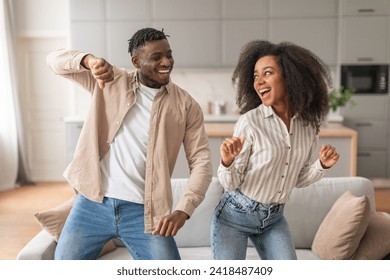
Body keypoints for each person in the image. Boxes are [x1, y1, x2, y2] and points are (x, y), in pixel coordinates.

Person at [47, 27, 212, 260]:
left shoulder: (186, 105)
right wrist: (88, 60)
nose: (166, 62)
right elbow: (53, 61)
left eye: (169, 54)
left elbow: (202, 163)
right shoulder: (109, 80)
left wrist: (183, 210)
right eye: (156, 57)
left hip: (145, 214)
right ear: (136, 61)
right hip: (92, 205)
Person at [210, 40, 340, 260]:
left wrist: (321, 165)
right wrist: (226, 162)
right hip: (234, 217)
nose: (259, 81)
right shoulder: (250, 122)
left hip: (274, 219)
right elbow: (230, 184)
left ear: (290, 77)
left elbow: (298, 178)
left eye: (267, 73)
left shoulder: (308, 126)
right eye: (255, 76)